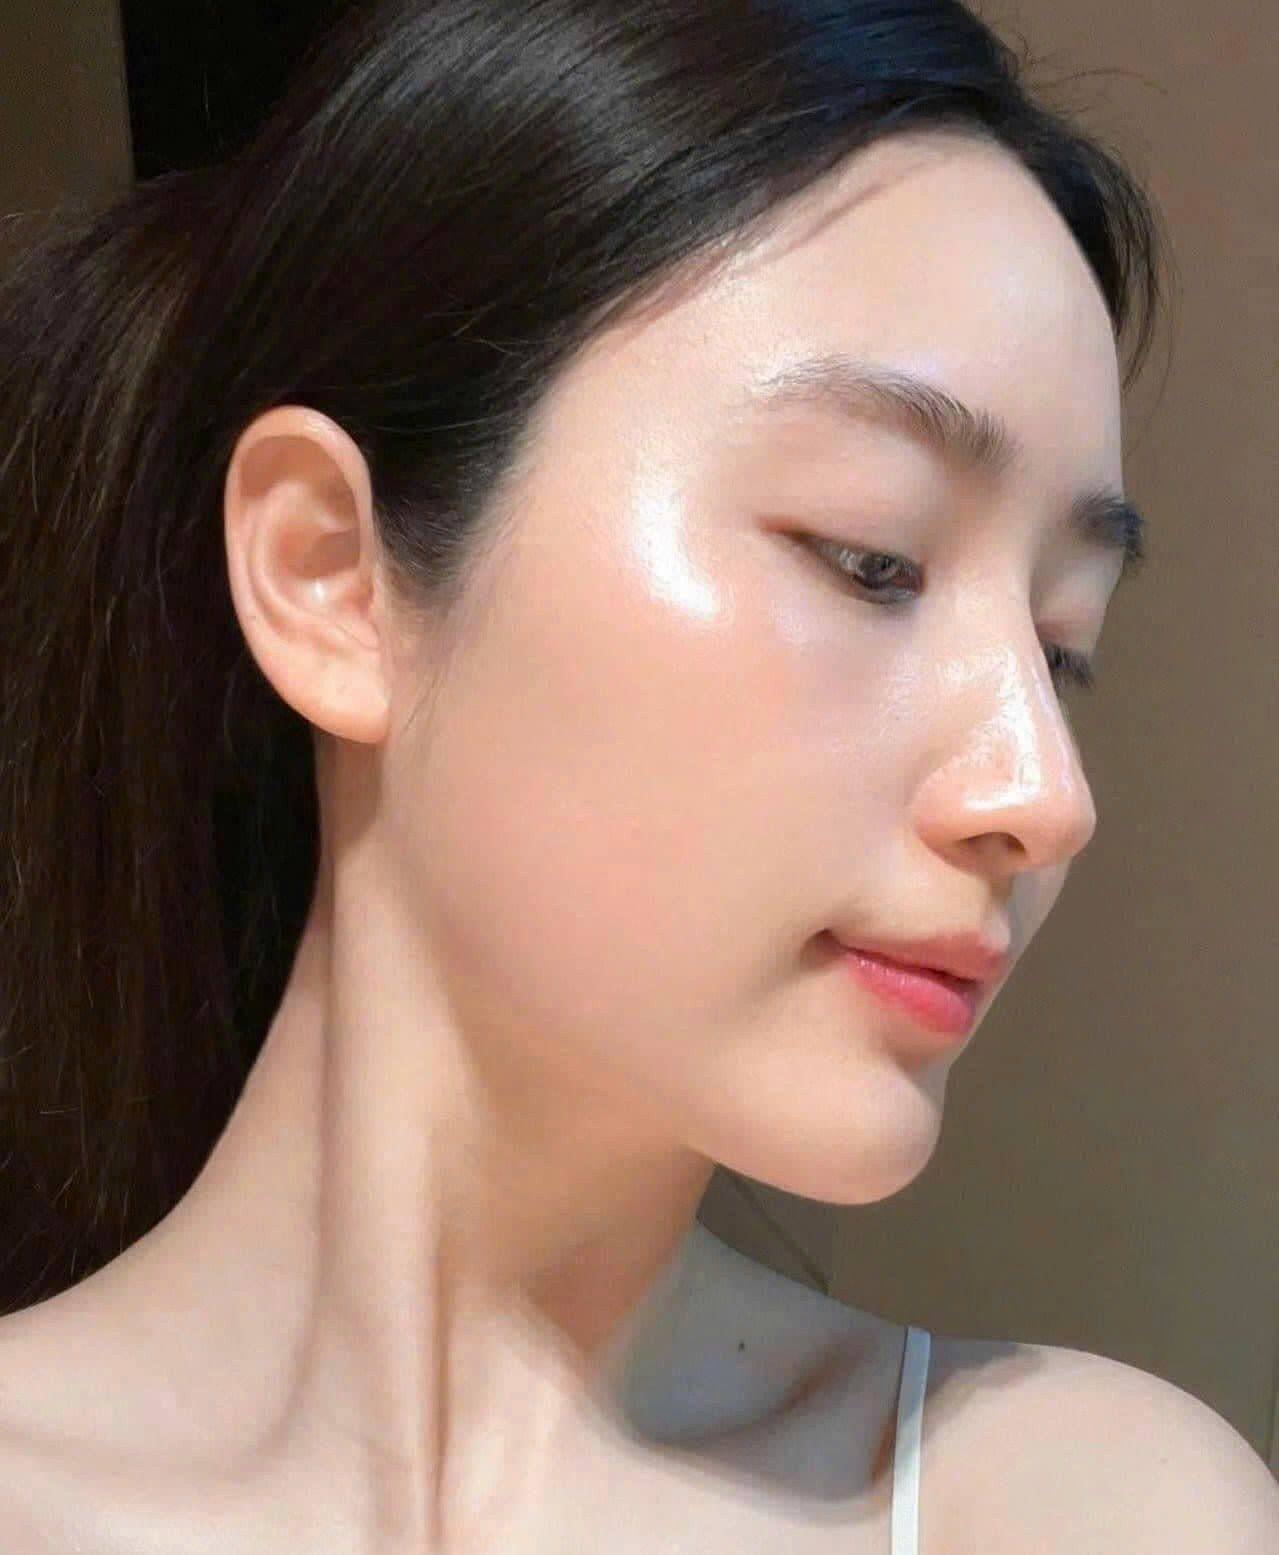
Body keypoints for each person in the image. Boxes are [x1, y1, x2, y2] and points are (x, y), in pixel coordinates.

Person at [0, 0, 1275, 1549]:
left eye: (1062, 645)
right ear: (329, 574)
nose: (1045, 797)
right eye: (871, 557)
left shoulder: (1086, 1514)